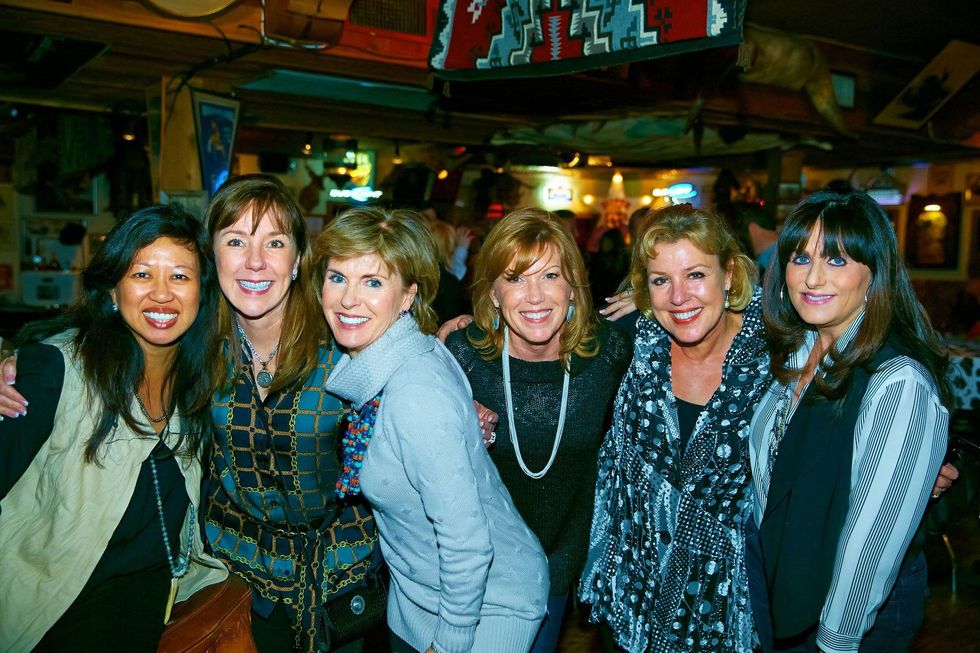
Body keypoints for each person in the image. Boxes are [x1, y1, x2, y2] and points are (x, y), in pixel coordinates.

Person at [315, 207, 549, 653]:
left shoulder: (414, 390)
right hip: (418, 599)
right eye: (337, 277)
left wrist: (449, 643)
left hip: (484, 612)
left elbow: (467, 543)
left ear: (408, 295)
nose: (348, 299)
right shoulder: (394, 359)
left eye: (373, 282)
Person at [0, 205, 228, 651]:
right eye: (142, 274)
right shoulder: (56, 370)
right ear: (112, 290)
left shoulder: (201, 387)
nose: (161, 294)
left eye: (180, 276)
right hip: (47, 616)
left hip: (148, 612)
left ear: (202, 292)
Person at [748, 189, 950, 653]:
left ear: (874, 272)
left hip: (847, 615)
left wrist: (835, 641)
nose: (812, 277)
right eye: (801, 258)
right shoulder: (798, 348)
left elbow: (872, 542)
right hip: (787, 590)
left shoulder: (897, 380)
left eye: (836, 260)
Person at [580, 203, 770, 653]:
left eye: (695, 275)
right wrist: (466, 338)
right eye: (661, 280)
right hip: (633, 597)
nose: (679, 296)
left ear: (729, 274)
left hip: (726, 608)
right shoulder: (628, 340)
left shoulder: (778, 353)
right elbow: (542, 355)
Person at [442, 207, 632, 653]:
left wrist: (647, 299)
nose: (534, 296)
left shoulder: (608, 353)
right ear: (492, 293)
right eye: (514, 279)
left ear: (573, 286)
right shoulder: (460, 355)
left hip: (557, 568)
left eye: (550, 276)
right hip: (475, 570)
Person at [202, 174, 376, 653]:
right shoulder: (194, 345)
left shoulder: (345, 343)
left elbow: (416, 352)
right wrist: (25, 365)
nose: (255, 261)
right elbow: (112, 333)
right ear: (212, 255)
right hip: (237, 575)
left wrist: (457, 373)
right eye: (236, 241)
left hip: (342, 576)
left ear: (298, 260)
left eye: (275, 243)